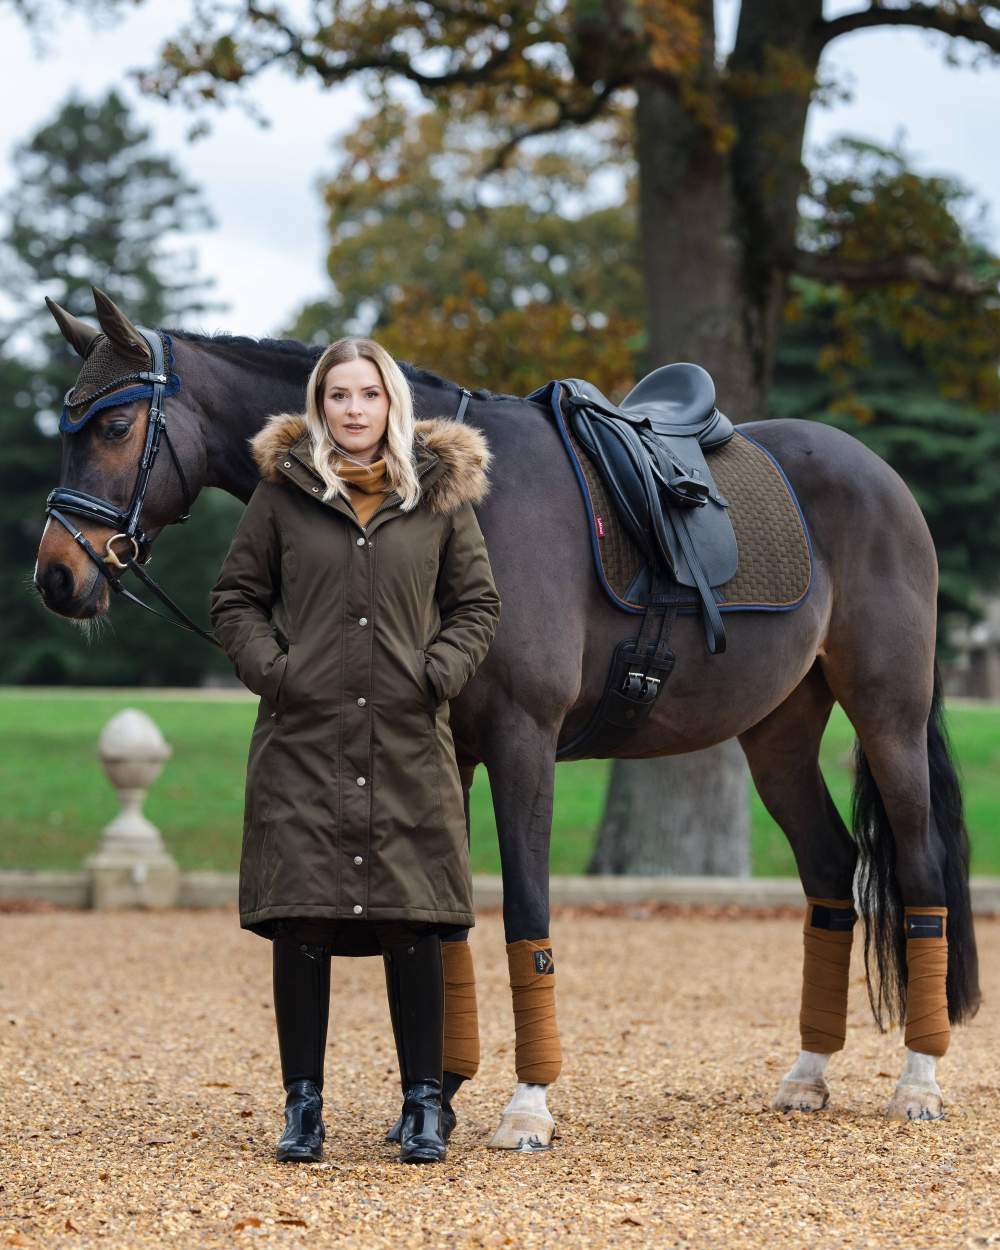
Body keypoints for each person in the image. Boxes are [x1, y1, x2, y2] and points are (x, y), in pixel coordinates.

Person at [209, 337, 500, 1164]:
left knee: (416, 923)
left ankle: (423, 1107)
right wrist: (276, 671)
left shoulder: (439, 500)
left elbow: (477, 603)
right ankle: (303, 1107)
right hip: (304, 741)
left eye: (368, 394)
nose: (353, 409)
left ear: (391, 404)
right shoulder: (282, 497)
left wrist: (434, 673)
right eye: (338, 395)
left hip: (408, 739)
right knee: (302, 920)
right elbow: (235, 598)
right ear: (319, 405)